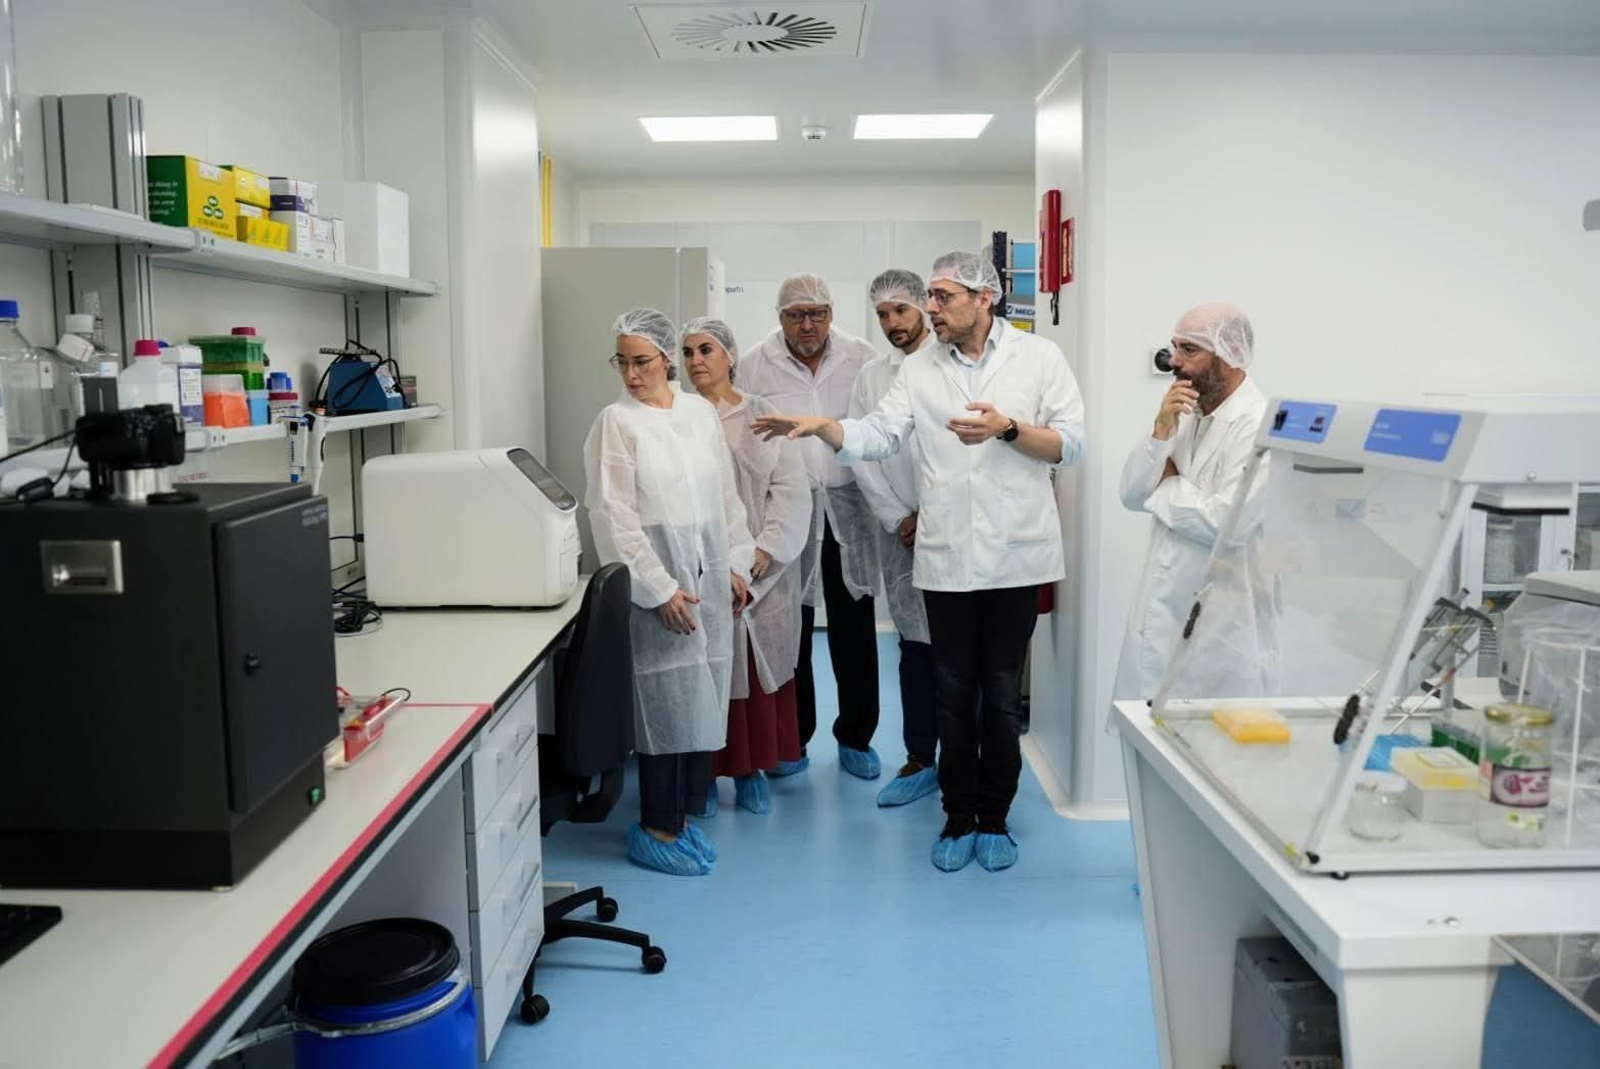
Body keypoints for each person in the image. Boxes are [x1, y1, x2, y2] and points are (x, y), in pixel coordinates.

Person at [753, 252, 1086, 873]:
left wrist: (1009, 429)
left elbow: (1072, 445)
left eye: (941, 296)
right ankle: (958, 817)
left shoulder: (1039, 359)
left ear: (983, 299)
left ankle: (996, 819)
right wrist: (829, 428)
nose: (931, 308)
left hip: (1016, 553)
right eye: (927, 297)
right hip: (946, 555)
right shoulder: (920, 370)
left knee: (1003, 695)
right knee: (954, 692)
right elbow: (879, 434)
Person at [582, 308, 755, 876]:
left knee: (701, 690)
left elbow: (726, 494)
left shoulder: (699, 412)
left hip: (708, 572)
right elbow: (614, 515)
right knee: (666, 700)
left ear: (664, 360)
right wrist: (658, 590)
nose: (631, 375)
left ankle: (684, 814)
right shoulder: (617, 421)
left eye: (642, 362)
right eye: (622, 363)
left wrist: (736, 562)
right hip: (657, 584)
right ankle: (657, 827)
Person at [739, 273, 885, 783]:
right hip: (786, 509)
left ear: (831, 312)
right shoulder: (755, 363)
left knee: (854, 626)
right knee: (789, 628)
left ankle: (856, 738)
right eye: (796, 314)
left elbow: (876, 427)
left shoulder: (861, 355)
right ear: (779, 318)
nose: (808, 324)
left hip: (851, 507)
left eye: (817, 313)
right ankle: (792, 739)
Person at [680, 316, 812, 816]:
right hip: (700, 570)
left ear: (731, 355)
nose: (696, 361)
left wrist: (762, 555)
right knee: (707, 676)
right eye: (688, 352)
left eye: (707, 350)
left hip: (763, 568)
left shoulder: (762, 416)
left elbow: (790, 491)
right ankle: (706, 777)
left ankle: (752, 770)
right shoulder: (679, 417)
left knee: (756, 672)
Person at [1114, 303, 1276, 700]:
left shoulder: (1259, 426)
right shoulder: (1184, 411)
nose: (1175, 362)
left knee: (1209, 752)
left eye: (1190, 350)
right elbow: (1132, 494)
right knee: (1144, 743)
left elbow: (1227, 524)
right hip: (1163, 612)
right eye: (1175, 347)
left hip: (1222, 629)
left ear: (1229, 355)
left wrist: (1167, 486)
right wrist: (1159, 431)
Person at [850, 269, 942, 808]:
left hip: (954, 528)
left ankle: (964, 757)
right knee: (914, 647)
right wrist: (897, 518)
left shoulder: (952, 365)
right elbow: (864, 451)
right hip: (900, 532)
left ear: (926, 309)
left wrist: (936, 516)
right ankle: (918, 757)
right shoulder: (871, 376)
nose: (892, 324)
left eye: (901, 312)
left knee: (959, 651)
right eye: (883, 315)